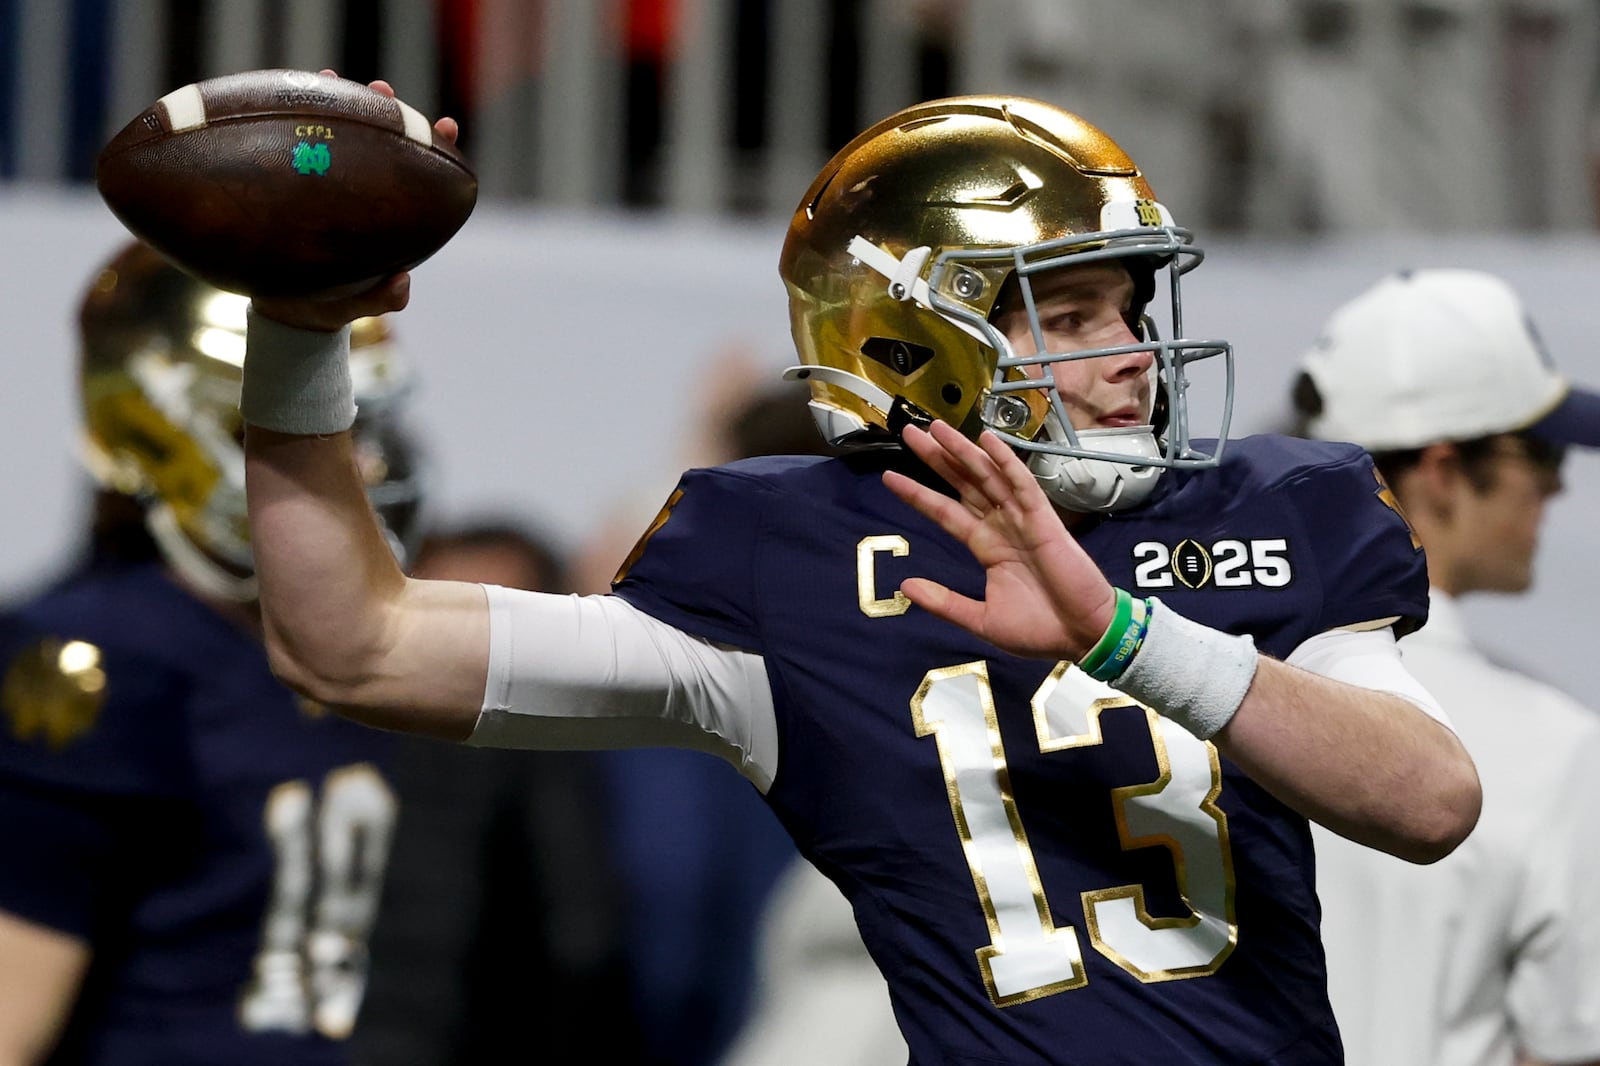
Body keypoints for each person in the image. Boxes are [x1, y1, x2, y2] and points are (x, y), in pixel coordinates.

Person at [237, 88, 1480, 1063]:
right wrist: (297, 337)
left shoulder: (1263, 509)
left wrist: (1116, 632)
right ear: (915, 338)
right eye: (1072, 312)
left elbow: (1428, 801)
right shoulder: (793, 559)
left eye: (1128, 308)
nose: (1132, 358)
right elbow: (351, 644)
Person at [0, 240, 422, 1064]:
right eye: (292, 416)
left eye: (355, 421)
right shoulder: (99, 655)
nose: (359, 461)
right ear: (161, 422)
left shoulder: (343, 635)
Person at [1292, 268, 1600, 1066]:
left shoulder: (1185, 679)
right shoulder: (1552, 746)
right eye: (1540, 452)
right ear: (1440, 471)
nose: (1555, 487)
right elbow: (1562, 1049)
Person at [352, 519, 646, 1066]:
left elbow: (582, 935)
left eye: (492, 622)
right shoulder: (322, 739)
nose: (464, 648)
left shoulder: (565, 756)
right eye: (442, 613)